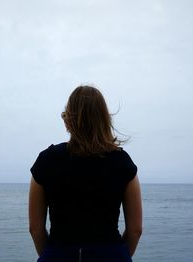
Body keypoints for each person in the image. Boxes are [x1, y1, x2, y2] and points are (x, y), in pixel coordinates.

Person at [29, 85, 142, 262]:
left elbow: (35, 229)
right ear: (104, 119)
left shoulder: (46, 161)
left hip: (58, 254)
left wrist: (52, 255)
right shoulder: (122, 163)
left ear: (68, 120)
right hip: (110, 254)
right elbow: (135, 229)